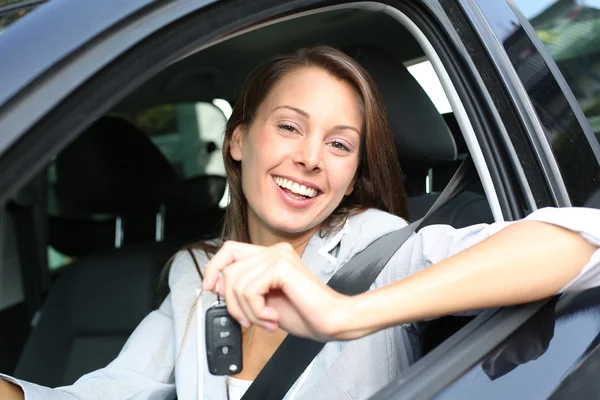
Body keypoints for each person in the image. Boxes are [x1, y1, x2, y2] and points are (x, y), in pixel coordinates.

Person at [1, 45, 599, 400]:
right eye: (289, 127)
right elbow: (106, 395)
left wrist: (347, 312)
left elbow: (584, 245)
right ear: (238, 140)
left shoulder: (379, 246)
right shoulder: (200, 271)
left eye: (340, 145)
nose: (311, 157)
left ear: (352, 169)